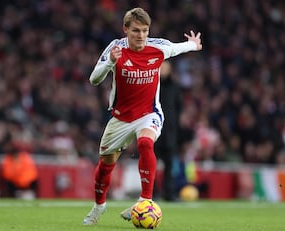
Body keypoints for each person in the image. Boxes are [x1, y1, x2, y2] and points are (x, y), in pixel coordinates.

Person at [83, 7, 202, 226]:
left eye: (145, 31)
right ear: (125, 29)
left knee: (146, 143)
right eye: (136, 31)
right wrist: (110, 62)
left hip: (149, 114)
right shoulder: (116, 48)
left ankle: (144, 201)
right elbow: (94, 79)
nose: (141, 36)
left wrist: (193, 44)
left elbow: (178, 48)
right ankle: (99, 206)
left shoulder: (158, 48)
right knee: (104, 168)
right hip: (120, 119)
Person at [154, 60, 182, 201]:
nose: (163, 70)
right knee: (151, 163)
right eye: (161, 67)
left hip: (170, 133)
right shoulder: (151, 85)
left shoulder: (175, 87)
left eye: (165, 67)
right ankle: (151, 194)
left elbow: (178, 109)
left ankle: (169, 194)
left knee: (169, 165)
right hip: (153, 130)